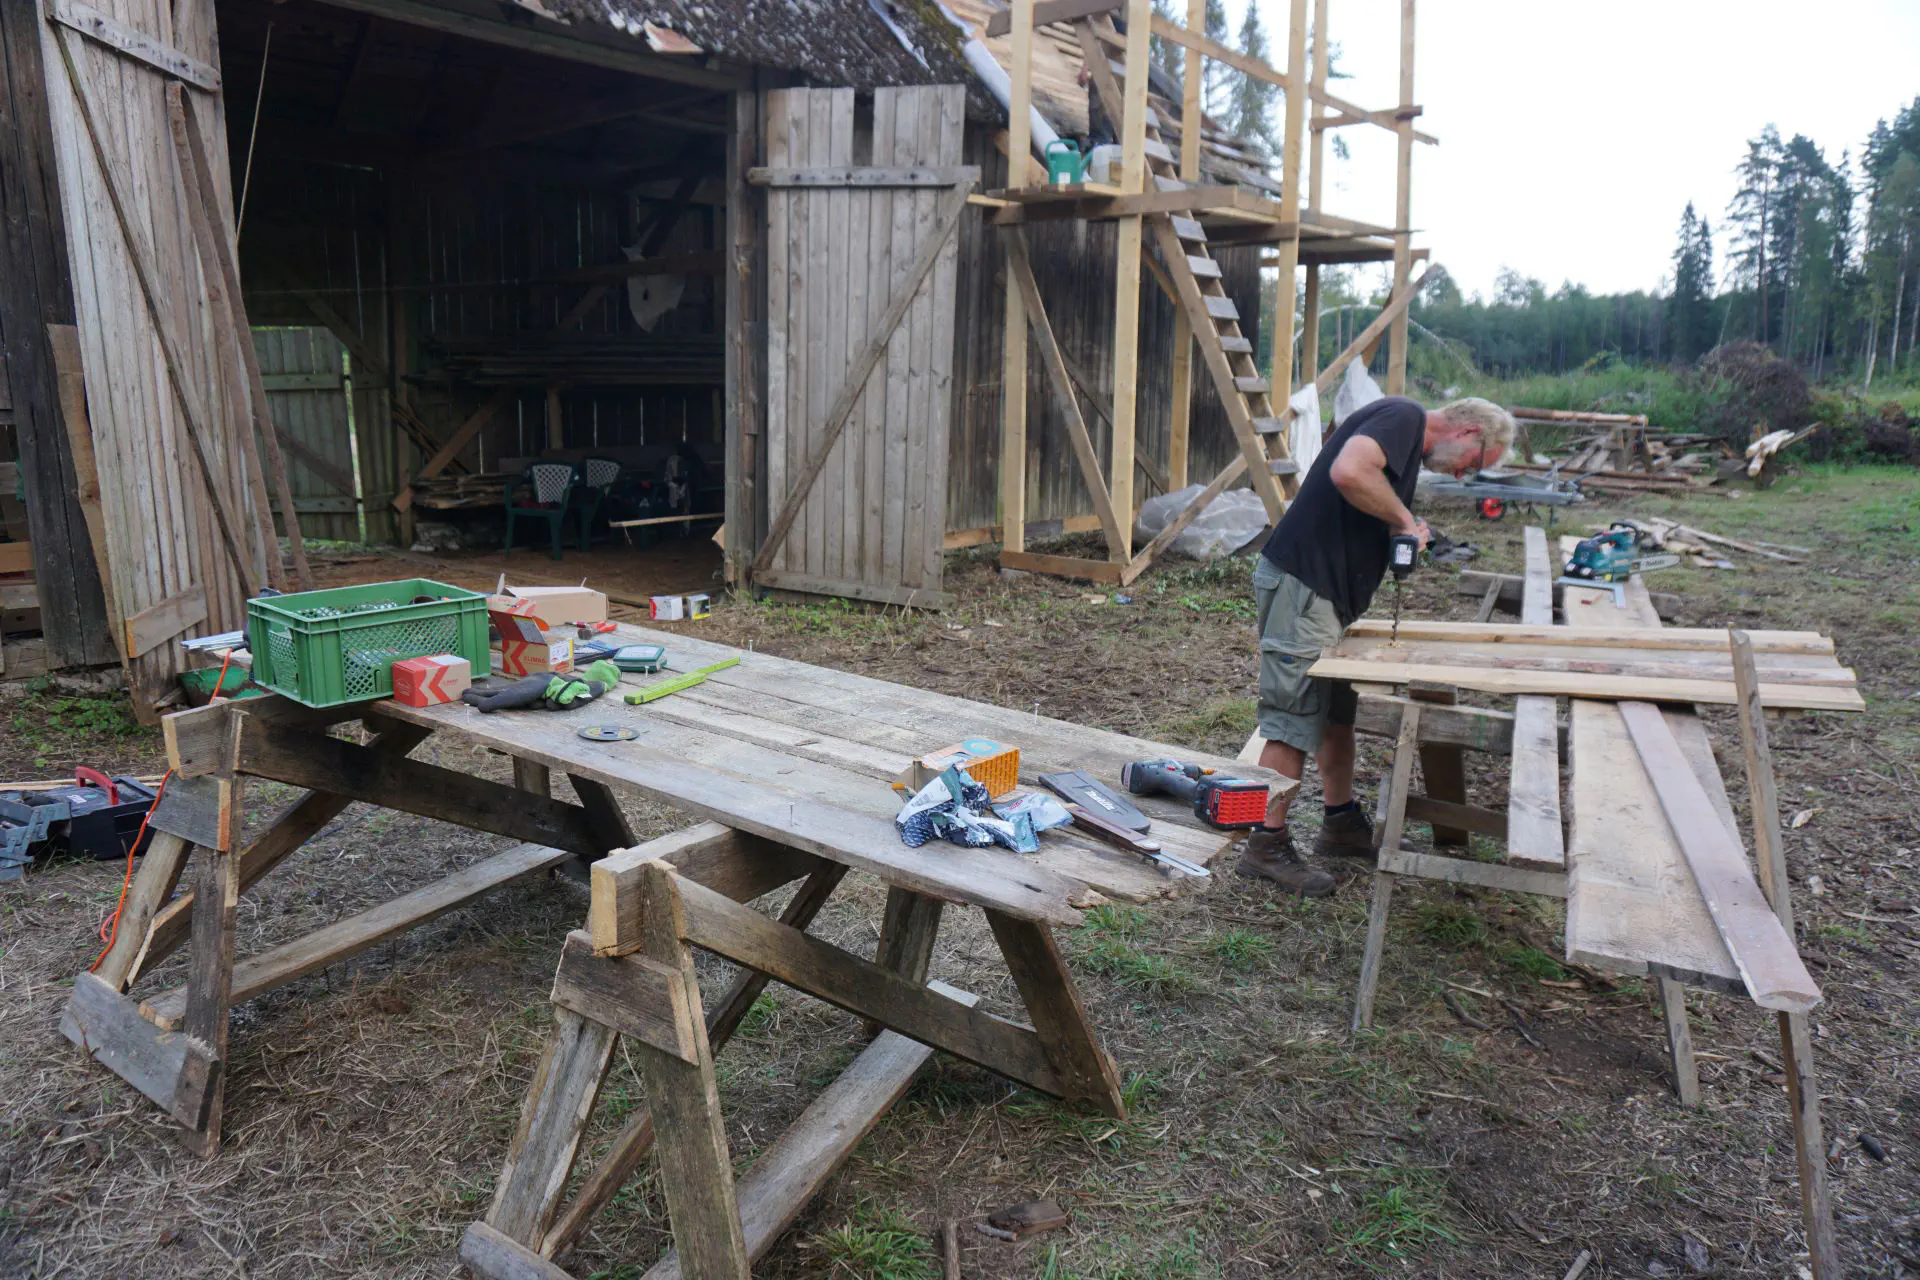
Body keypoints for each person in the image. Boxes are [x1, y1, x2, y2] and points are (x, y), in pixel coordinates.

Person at [1241, 396, 1516, 894]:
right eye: (1473, 465)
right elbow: (1349, 471)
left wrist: (1398, 522)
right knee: (1293, 720)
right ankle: (1265, 843)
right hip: (1304, 589)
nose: (1460, 478)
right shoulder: (1404, 417)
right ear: (1469, 432)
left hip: (1330, 599)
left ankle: (1340, 823)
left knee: (1336, 715)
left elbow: (1362, 489)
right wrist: (1405, 520)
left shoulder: (1403, 447)